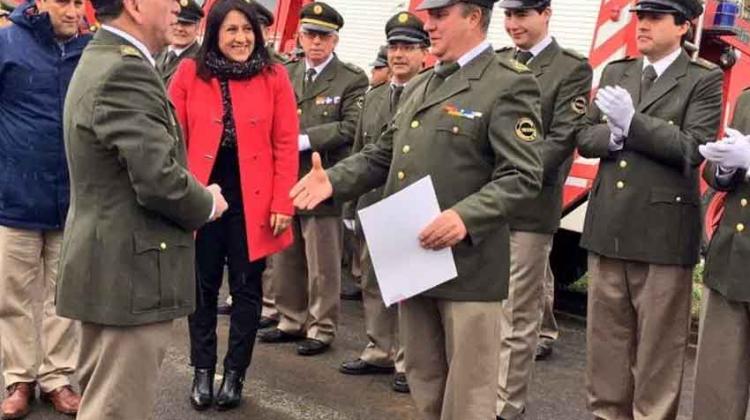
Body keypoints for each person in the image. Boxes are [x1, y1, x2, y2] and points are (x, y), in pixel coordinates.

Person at [291, 0, 543, 417]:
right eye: (430, 15)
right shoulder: (423, 83)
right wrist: (333, 180)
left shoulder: (506, 83)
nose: (429, 24)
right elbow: (381, 154)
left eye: (440, 15)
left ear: (474, 17)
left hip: (468, 268)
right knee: (425, 384)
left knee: (468, 397)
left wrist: (464, 216)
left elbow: (522, 176)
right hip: (417, 259)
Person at [57, 0, 230, 416]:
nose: (178, 7)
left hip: (115, 267)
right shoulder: (125, 69)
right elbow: (158, 179)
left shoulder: (111, 59)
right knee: (118, 409)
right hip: (129, 274)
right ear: (134, 5)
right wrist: (207, 202)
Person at [574, 0, 722, 418]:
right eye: (641, 17)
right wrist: (616, 136)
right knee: (606, 347)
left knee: (658, 352)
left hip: (662, 233)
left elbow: (693, 148)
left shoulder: (701, 80)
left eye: (655, 18)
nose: (642, 25)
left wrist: (632, 121)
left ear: (683, 27)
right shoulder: (617, 72)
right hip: (609, 224)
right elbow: (585, 136)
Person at [169, 0, 299, 410]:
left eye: (247, 30)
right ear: (214, 34)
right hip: (203, 198)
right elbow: (172, 136)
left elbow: (284, 143)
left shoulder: (274, 75)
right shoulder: (190, 72)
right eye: (231, 30)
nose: (241, 38)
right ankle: (202, 370)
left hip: (254, 201)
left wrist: (283, 202)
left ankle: (235, 373)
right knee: (202, 288)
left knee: (246, 289)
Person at [494, 0, 592, 418]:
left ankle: (504, 404)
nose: (514, 24)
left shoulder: (570, 68)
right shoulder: (497, 62)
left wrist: (508, 179)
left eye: (523, 15)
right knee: (481, 311)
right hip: (484, 206)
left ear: (546, 13)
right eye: (509, 16)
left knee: (517, 315)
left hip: (528, 207)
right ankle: (477, 392)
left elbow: (561, 139)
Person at [258, 1, 368, 357]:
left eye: (323, 36)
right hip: (286, 178)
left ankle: (321, 327)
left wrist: (304, 139)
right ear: (300, 36)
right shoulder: (284, 72)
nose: (315, 42)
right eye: (309, 34)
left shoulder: (352, 78)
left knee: (322, 262)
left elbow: (351, 127)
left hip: (321, 179)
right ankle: (290, 319)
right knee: (286, 256)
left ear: (335, 40)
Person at [0, 0, 91, 417]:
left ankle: (57, 377)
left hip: (72, 199)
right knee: (13, 297)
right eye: (63, 2)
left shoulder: (88, 51)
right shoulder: (7, 45)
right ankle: (19, 377)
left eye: (78, 2)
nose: (72, 11)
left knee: (63, 296)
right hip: (13, 196)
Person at [338, 11, 428, 395]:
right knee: (373, 282)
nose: (399, 54)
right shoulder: (374, 96)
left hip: (414, 204)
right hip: (374, 202)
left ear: (425, 53)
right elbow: (362, 151)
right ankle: (380, 349)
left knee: (409, 288)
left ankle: (411, 361)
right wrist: (348, 206)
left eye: (408, 47)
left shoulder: (431, 91)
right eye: (394, 46)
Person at [692, 90, 750, 420]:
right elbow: (716, 175)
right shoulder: (748, 100)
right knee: (717, 392)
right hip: (731, 261)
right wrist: (725, 166)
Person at [155, 0, 204, 85]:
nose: (180, 29)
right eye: (176, 23)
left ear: (197, 27)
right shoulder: (156, 51)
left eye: (186, 24)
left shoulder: (200, 60)